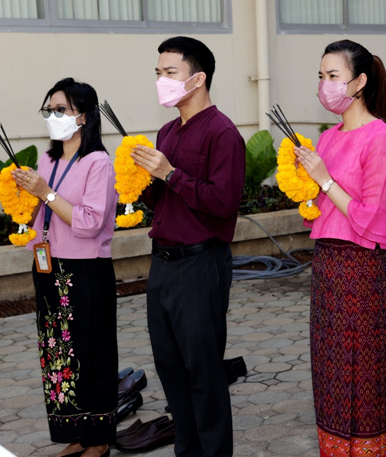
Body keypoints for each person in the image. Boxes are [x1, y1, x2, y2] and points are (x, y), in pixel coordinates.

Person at [131, 36, 245, 457]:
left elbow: (223, 203)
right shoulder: (167, 130)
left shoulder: (223, 132)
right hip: (162, 264)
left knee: (204, 373)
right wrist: (141, 178)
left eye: (170, 72)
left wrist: (170, 172)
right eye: (158, 73)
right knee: (171, 368)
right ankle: (187, 450)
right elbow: (162, 199)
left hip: (201, 264)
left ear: (197, 78)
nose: (161, 80)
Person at [293, 39, 386, 457]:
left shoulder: (380, 137)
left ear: (359, 82)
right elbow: (321, 211)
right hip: (327, 267)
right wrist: (305, 188)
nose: (325, 84)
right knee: (332, 371)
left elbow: (371, 218)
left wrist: (323, 181)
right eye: (321, 76)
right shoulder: (328, 138)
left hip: (361, 269)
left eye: (333, 76)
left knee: (364, 375)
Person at [14, 78, 118, 457]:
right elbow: (42, 210)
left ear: (84, 117)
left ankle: (100, 438)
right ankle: (74, 433)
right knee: (57, 352)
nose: (54, 116)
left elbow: (89, 223)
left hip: (85, 270)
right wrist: (25, 192)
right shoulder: (49, 159)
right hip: (48, 264)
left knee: (91, 352)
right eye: (50, 110)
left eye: (62, 110)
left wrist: (46, 192)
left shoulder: (98, 162)